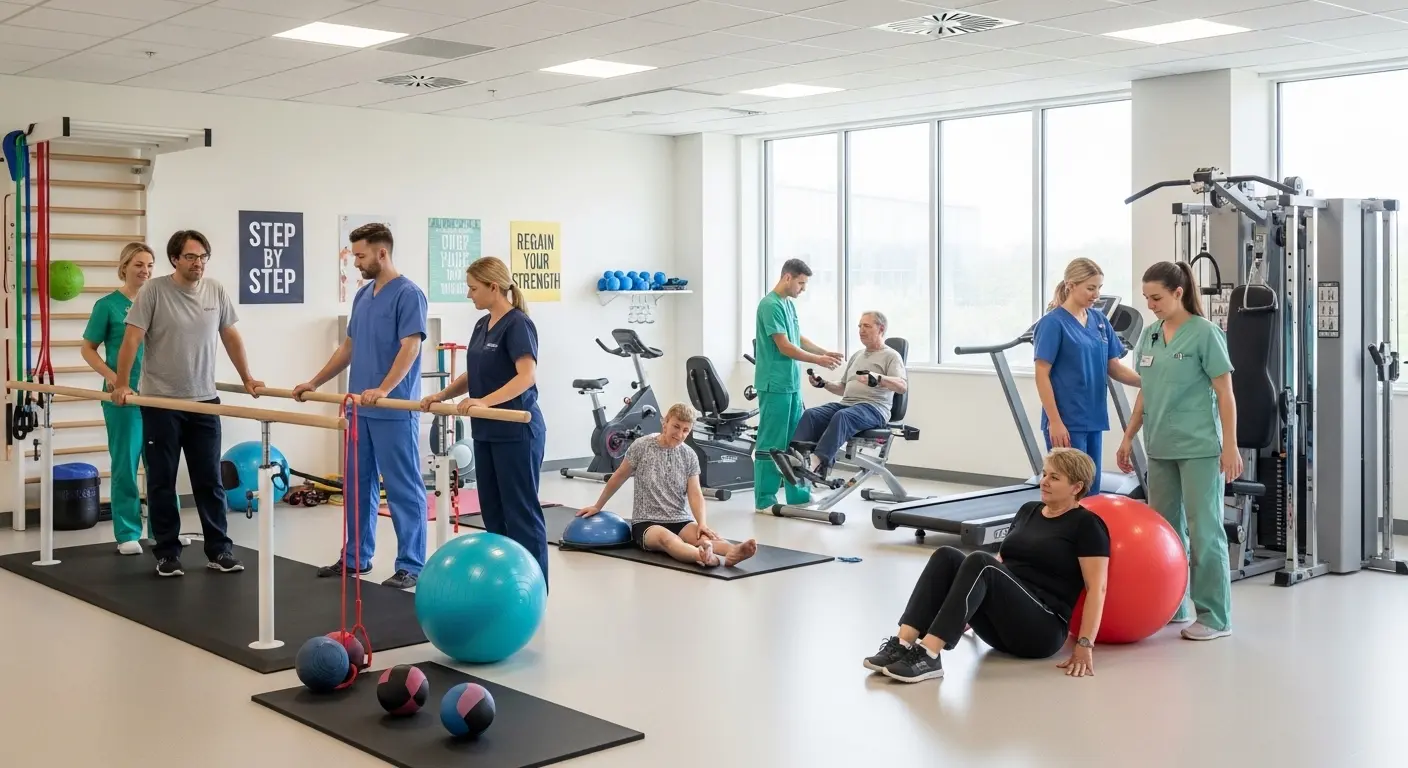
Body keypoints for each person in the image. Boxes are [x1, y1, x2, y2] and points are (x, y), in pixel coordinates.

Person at [862, 447, 1111, 683]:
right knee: (947, 555)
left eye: (1054, 477)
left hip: (1041, 629)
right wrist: (963, 608)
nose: (1044, 481)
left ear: (1076, 487)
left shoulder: (1088, 525)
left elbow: (1096, 588)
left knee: (981, 560)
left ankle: (929, 655)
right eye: (1044, 474)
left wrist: (1084, 645)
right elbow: (1004, 563)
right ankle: (902, 644)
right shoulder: (1028, 510)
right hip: (1001, 626)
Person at [112, 230, 263, 578]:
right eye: (192, 257)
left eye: (203, 257)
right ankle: (167, 552)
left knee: (209, 479)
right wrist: (122, 384)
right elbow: (132, 339)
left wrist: (248, 378)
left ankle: (219, 550)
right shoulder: (154, 291)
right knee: (162, 480)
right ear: (175, 260)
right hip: (160, 402)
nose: (199, 264)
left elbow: (230, 335)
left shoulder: (216, 290)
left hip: (204, 403)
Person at [294, 223, 428, 590]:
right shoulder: (363, 295)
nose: (356, 262)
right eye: (354, 255)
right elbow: (348, 347)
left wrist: (383, 389)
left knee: (402, 488)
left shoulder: (409, 294)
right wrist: (315, 382)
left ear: (381, 252)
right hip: (358, 409)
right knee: (356, 487)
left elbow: (410, 347)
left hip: (394, 409)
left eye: (360, 255)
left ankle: (412, 564)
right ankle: (356, 558)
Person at [1116, 261, 1239, 642]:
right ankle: (1174, 603)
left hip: (1200, 445)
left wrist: (1230, 446)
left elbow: (1225, 393)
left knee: (1205, 532)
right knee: (1164, 533)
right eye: (1147, 298)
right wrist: (1127, 437)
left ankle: (1215, 617)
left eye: (1157, 297)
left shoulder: (1205, 333)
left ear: (1178, 293)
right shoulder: (1150, 336)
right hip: (1161, 445)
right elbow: (1147, 393)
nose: (1150, 305)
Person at [421, 257, 548, 583]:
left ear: (494, 287)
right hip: (488, 430)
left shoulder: (518, 323)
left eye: (473, 288)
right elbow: (474, 373)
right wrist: (442, 394)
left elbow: (527, 376)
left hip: (517, 429)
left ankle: (534, 588)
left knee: (520, 513)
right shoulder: (483, 324)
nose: (469, 295)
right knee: (492, 512)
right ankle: (503, 584)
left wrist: (484, 402)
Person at [575, 403, 758, 567]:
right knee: (668, 540)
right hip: (647, 522)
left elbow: (695, 493)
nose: (679, 434)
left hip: (680, 518)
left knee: (705, 536)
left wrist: (702, 523)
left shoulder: (689, 455)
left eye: (685, 430)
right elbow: (619, 477)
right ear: (665, 423)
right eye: (676, 427)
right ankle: (702, 556)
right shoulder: (642, 446)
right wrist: (597, 506)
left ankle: (733, 552)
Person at [1033, 258, 1142, 494]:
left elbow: (1114, 367)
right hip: (1066, 420)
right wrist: (1055, 421)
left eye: (1099, 288)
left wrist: (1149, 381)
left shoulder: (1100, 321)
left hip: (1093, 417)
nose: (1097, 295)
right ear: (1071, 285)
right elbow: (1041, 374)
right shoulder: (1052, 324)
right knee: (1068, 491)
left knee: (1091, 488)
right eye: (1091, 288)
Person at [752, 258, 844, 513]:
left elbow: (798, 337)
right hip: (774, 384)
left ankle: (799, 495)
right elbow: (784, 345)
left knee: (796, 441)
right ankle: (765, 499)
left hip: (791, 384)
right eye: (801, 284)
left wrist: (825, 352)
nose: (802, 290)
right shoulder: (770, 305)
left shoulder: (788, 305)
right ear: (787, 278)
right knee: (771, 442)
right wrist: (819, 360)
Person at [81, 242, 154, 555]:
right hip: (123, 399)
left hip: (158, 396)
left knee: (161, 466)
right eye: (139, 264)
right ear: (124, 266)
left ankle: (167, 529)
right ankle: (127, 532)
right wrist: (115, 380)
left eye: (150, 265)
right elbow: (88, 348)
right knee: (125, 463)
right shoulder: (108, 305)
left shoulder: (157, 301)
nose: (145, 271)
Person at [795, 311, 907, 477]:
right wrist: (823, 383)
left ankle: (818, 461)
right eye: (860, 326)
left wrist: (879, 378)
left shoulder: (891, 356)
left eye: (867, 326)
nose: (861, 330)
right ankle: (796, 457)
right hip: (847, 404)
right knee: (812, 414)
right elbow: (842, 387)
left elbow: (902, 386)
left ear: (881, 329)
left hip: (874, 409)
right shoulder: (857, 355)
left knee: (843, 416)